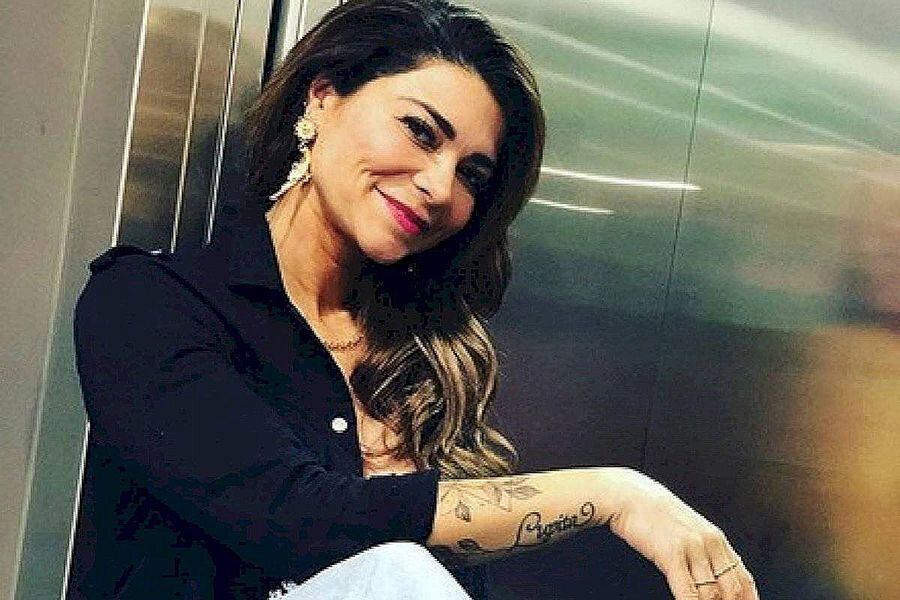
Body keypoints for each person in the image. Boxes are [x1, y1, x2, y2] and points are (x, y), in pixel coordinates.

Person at [66, 1, 759, 598]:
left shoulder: (425, 360)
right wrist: (615, 495)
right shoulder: (148, 304)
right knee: (394, 570)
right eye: (420, 131)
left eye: (472, 174)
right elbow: (295, 517)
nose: (439, 186)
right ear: (322, 96)